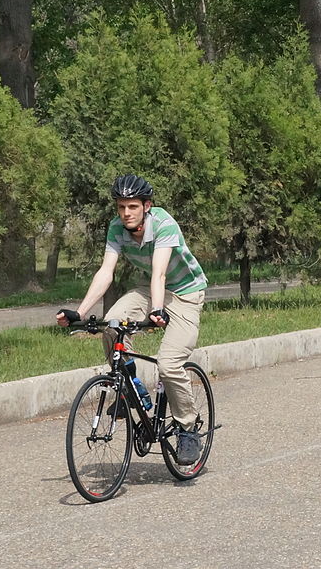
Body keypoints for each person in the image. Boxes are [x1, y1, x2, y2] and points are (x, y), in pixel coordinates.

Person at [56, 174, 209, 465]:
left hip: (186, 294)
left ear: (146, 206)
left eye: (132, 207)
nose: (126, 213)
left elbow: (160, 272)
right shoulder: (117, 228)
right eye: (121, 207)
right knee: (112, 324)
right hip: (151, 291)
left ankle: (188, 429)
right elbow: (106, 271)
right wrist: (82, 311)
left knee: (169, 363)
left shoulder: (163, 223)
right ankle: (130, 391)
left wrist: (159, 310)